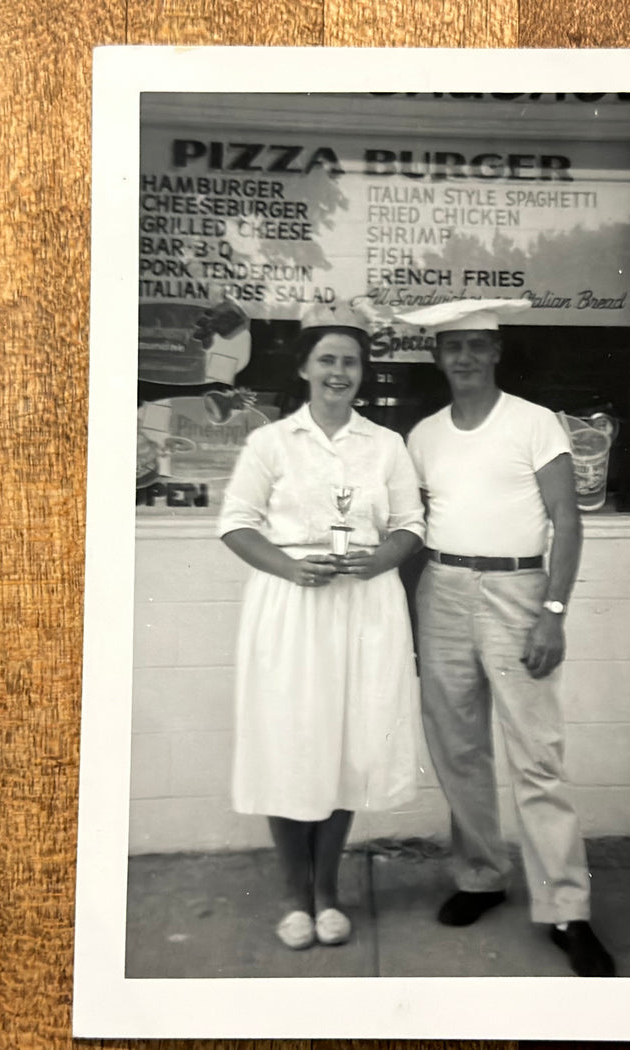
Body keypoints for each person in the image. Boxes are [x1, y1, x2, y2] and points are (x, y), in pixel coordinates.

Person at [398, 298, 616, 978]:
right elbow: (411, 527)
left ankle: (567, 908)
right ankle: (480, 877)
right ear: (438, 357)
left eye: (475, 346)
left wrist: (553, 609)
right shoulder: (424, 435)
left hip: (520, 593)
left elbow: (568, 523)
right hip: (442, 589)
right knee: (457, 748)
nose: (463, 358)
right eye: (451, 347)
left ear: (495, 353)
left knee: (536, 755)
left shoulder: (533, 423)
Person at [216, 300, 426, 951]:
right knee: (289, 743)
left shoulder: (386, 444)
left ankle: (328, 892)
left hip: (364, 607)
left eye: (351, 361)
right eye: (327, 360)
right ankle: (293, 896)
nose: (339, 372)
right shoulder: (270, 442)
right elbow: (235, 523)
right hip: (292, 608)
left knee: (344, 746)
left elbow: (411, 525)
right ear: (305, 368)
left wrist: (379, 559)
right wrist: (287, 566)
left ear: (363, 372)